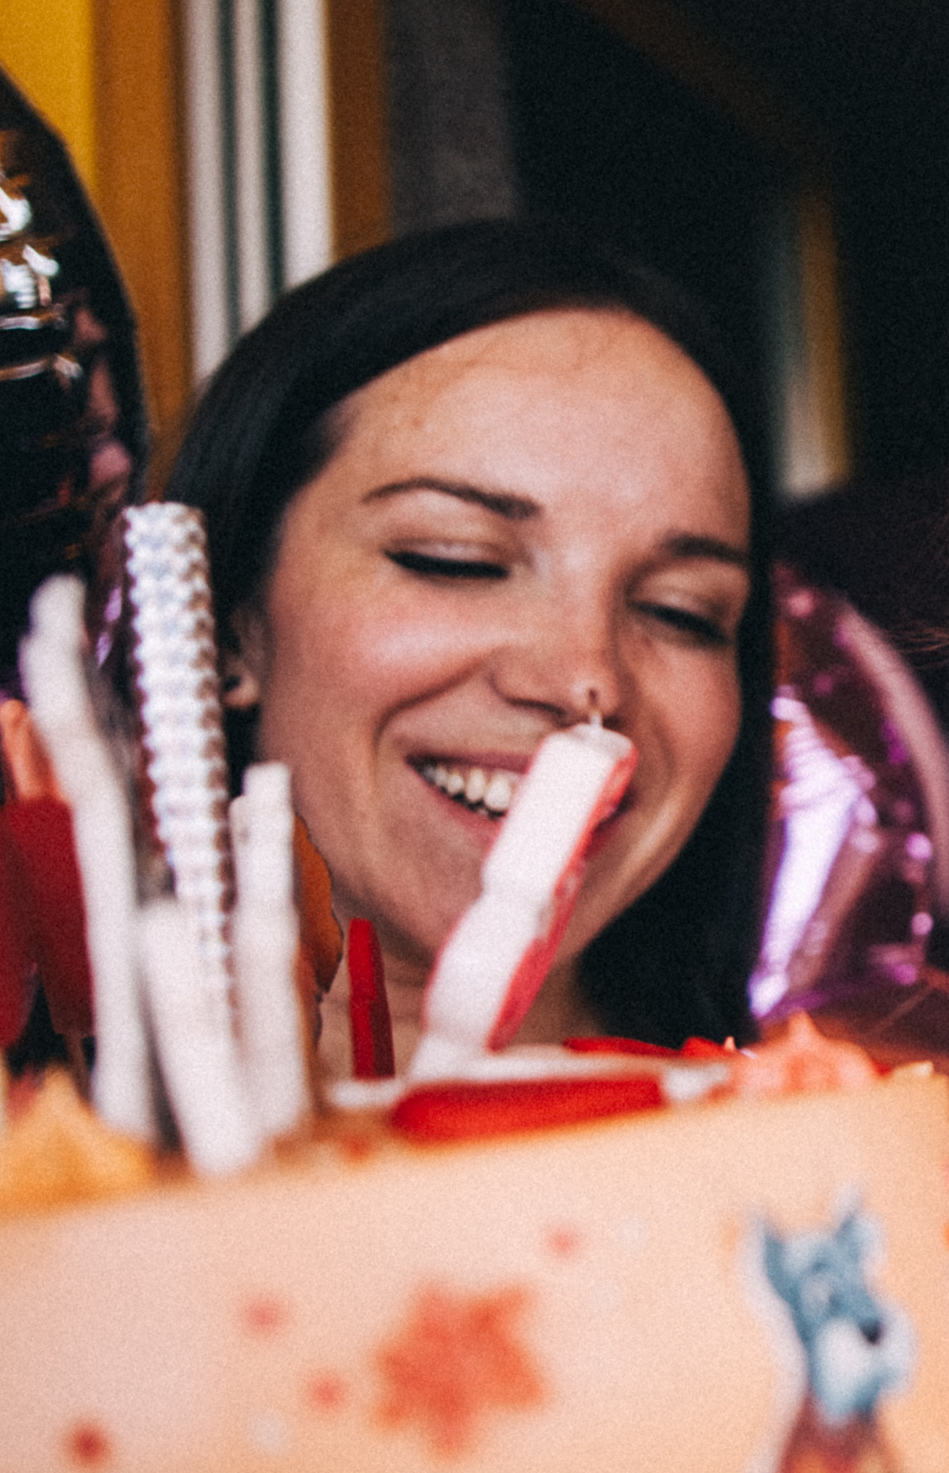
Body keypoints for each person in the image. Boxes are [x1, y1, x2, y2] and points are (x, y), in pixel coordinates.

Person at [162, 220, 772, 1063]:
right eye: (455, 560)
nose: (586, 678)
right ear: (231, 625)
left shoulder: (820, 1129)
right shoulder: (10, 1136)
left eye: (682, 612)